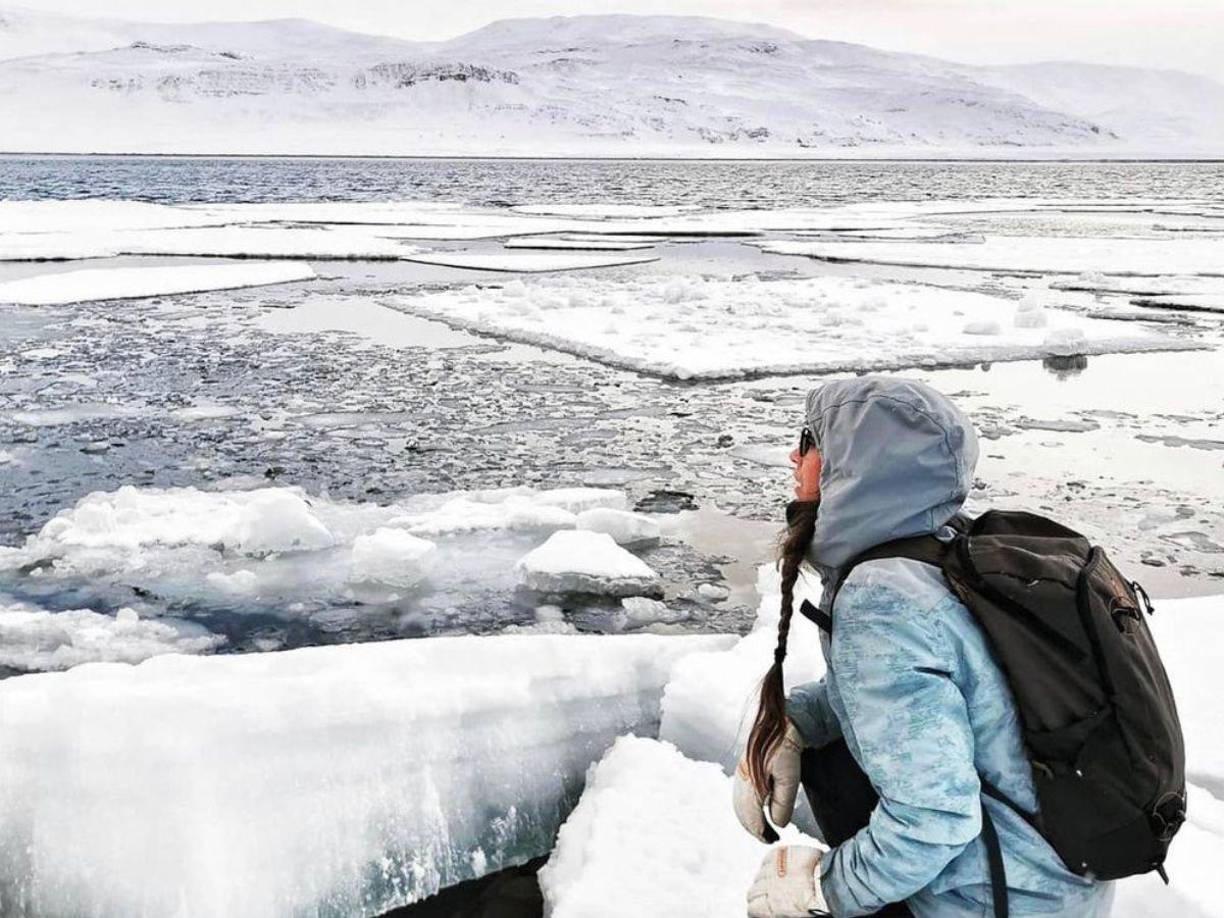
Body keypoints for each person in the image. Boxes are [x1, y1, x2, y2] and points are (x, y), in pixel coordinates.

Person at [732, 376, 1115, 918]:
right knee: (831, 757)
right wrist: (793, 723)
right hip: (1057, 878)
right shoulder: (942, 551)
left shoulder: (884, 601)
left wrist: (823, 890)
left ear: (858, 467)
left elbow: (936, 816)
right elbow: (930, 694)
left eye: (810, 440)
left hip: (994, 902)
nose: (793, 456)